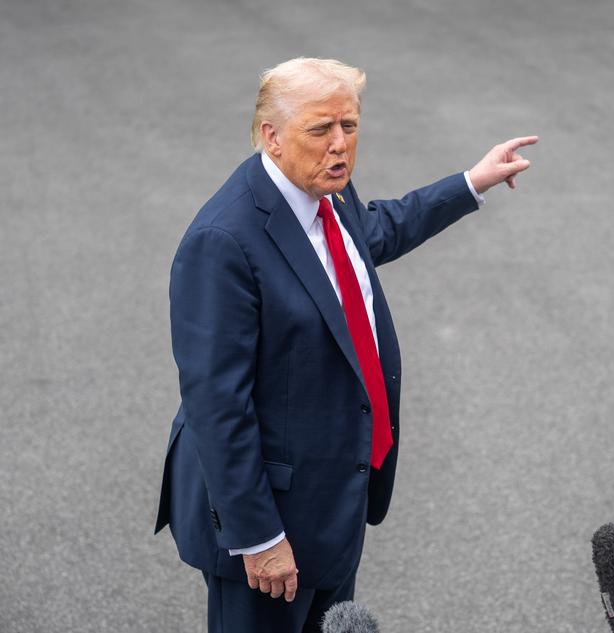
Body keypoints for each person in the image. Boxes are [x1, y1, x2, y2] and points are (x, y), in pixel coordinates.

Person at [154, 57, 537, 633]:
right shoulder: (223, 241)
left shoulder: (324, 194)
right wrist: (259, 536)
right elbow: (216, 405)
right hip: (269, 521)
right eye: (320, 129)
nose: (340, 146)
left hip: (335, 495)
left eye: (349, 127)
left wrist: (471, 183)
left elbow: (372, 232)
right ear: (271, 136)